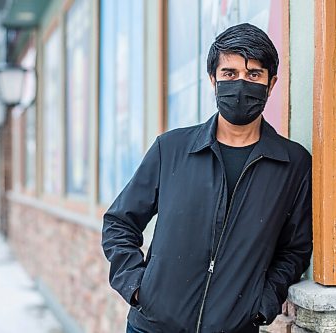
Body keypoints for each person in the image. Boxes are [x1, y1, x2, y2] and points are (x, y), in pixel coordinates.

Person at [102, 23, 312, 333]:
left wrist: (262, 304)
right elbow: (120, 222)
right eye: (229, 73)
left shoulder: (293, 164)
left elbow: (294, 249)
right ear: (213, 80)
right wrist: (136, 286)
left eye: (253, 74)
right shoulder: (171, 149)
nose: (240, 84)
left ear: (271, 83)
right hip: (152, 326)